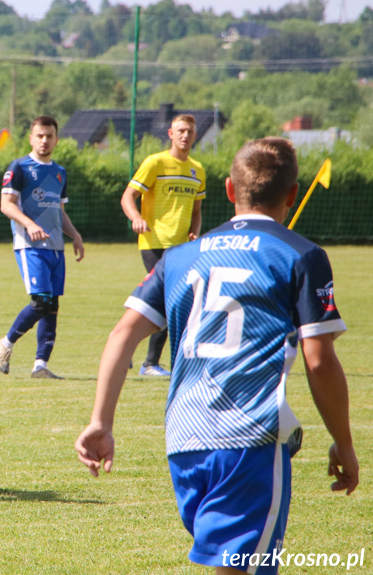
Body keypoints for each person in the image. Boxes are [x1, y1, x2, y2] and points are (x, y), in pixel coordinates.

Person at [75, 138, 359, 574]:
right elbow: (318, 360)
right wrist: (344, 440)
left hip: (184, 442)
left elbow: (121, 335)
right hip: (248, 441)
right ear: (293, 194)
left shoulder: (179, 257)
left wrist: (100, 422)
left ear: (229, 190)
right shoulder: (301, 255)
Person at [0, 116, 84, 379]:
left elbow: (59, 211)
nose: (44, 141)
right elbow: (7, 204)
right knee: (41, 301)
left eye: (49, 136)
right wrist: (29, 224)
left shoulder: (59, 172)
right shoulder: (19, 167)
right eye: (40, 136)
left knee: (52, 305)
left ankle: (40, 366)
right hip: (30, 245)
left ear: (56, 139)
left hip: (55, 247)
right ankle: (5, 343)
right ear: (31, 138)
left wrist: (75, 234)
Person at [120, 114, 205, 376]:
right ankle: (149, 363)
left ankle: (127, 349)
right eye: (180, 130)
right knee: (171, 302)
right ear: (170, 133)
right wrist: (136, 218)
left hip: (181, 247)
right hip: (154, 242)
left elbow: (196, 211)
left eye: (189, 131)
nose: (185, 135)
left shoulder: (197, 170)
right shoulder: (155, 162)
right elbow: (128, 197)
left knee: (166, 303)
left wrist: (194, 233)